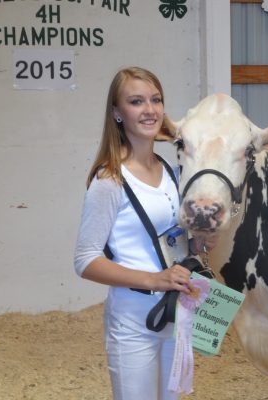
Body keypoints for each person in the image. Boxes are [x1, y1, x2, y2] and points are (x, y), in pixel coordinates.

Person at [73, 66, 215, 400]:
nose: (149, 110)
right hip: (134, 322)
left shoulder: (171, 172)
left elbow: (176, 241)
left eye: (156, 100)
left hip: (175, 312)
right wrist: (155, 280)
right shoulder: (109, 180)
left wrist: (201, 242)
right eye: (136, 101)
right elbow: (85, 260)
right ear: (117, 114)